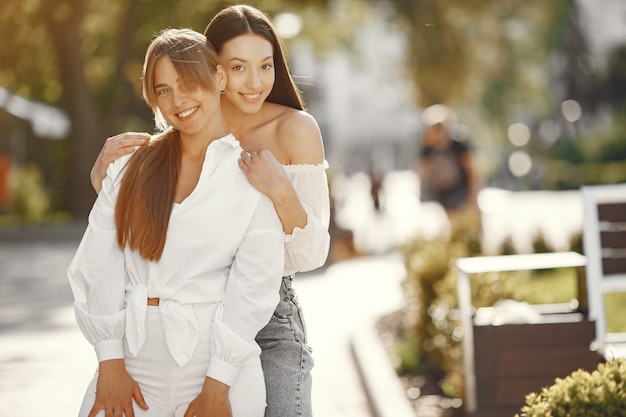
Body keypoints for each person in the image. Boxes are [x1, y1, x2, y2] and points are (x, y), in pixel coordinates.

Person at [89, 5, 331, 417]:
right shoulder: (185, 124)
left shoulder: (294, 129)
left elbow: (311, 255)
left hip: (267, 313)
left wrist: (280, 191)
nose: (255, 83)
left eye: (266, 66)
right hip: (185, 316)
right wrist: (101, 179)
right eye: (239, 67)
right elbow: (147, 228)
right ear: (213, 69)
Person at [416, 121, 478, 217]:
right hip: (442, 193)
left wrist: (473, 194)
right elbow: (423, 170)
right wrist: (421, 190)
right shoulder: (428, 149)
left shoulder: (458, 147)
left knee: (466, 220)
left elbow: (472, 171)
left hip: (460, 191)